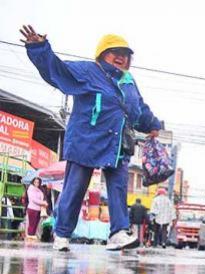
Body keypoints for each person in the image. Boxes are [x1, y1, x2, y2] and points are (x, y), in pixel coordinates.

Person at [21, 26, 161, 252]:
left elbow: (139, 109)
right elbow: (57, 71)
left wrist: (152, 125)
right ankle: (62, 234)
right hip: (86, 139)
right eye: (114, 51)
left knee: (117, 187)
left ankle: (118, 233)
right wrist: (39, 48)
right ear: (101, 54)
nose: (121, 57)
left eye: (125, 54)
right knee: (75, 187)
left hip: (117, 143)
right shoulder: (89, 71)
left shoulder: (128, 81)